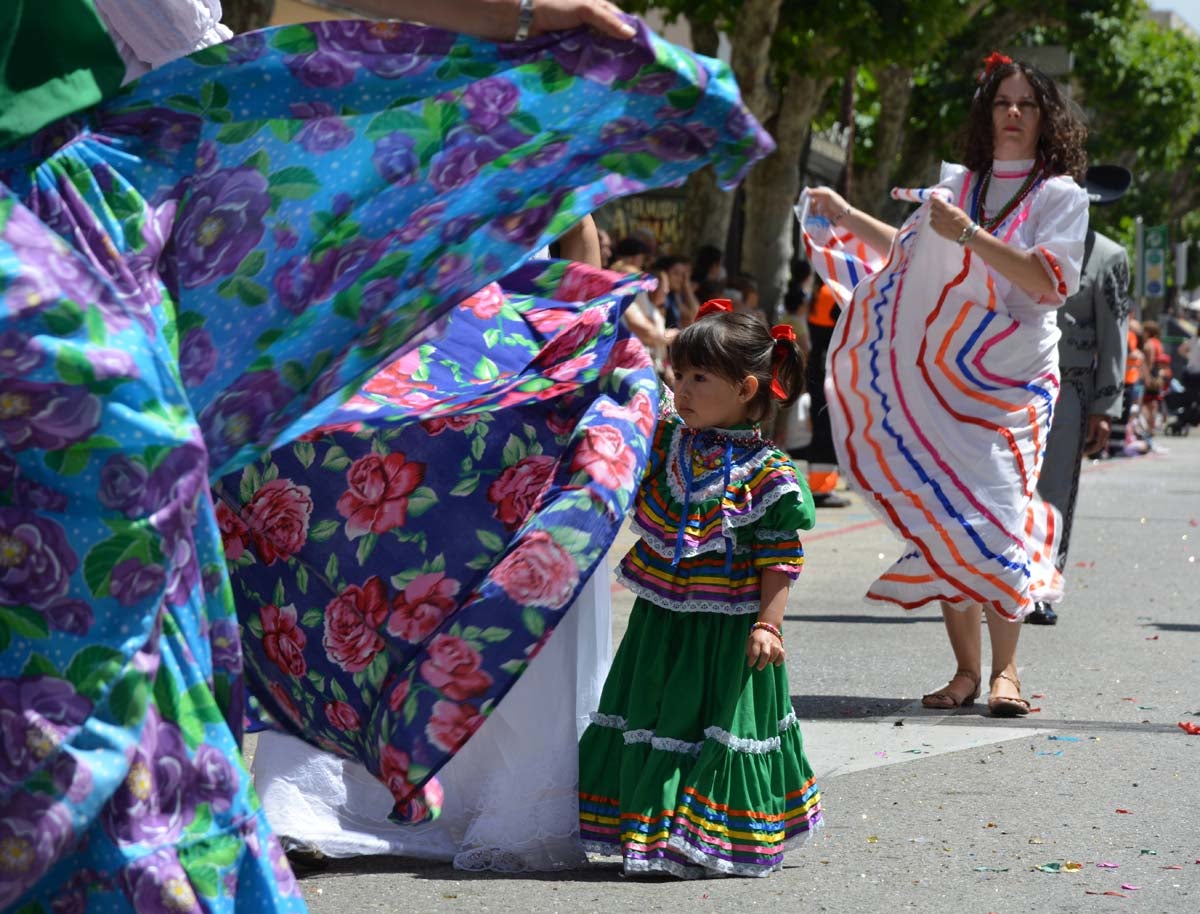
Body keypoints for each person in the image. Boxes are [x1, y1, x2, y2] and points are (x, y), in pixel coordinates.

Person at [0, 2, 775, 910]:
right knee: (141, 485)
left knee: (149, 576)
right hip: (88, 233)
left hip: (121, 223)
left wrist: (519, 27)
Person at [802, 53, 1089, 716]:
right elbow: (911, 256)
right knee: (948, 514)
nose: (1013, 114)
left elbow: (1046, 281)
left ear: (1045, 119)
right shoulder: (958, 185)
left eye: (1026, 104)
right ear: (986, 113)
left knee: (1000, 512)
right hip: (943, 366)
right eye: (1002, 103)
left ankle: (1006, 672)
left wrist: (970, 235)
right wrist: (846, 213)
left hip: (1016, 378)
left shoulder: (1060, 196)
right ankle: (965, 671)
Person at [577, 302, 822, 878]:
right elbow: (634, 388)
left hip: (730, 630)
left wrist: (768, 625)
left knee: (717, 724)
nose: (681, 390)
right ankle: (657, 835)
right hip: (662, 620)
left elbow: (779, 556)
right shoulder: (671, 442)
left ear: (746, 390)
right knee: (660, 715)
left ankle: (706, 839)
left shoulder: (771, 474)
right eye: (679, 375)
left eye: (698, 379)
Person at [1026, 165, 1132, 625]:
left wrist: (1106, 407)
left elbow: (1116, 335)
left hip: (1069, 388)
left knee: (1052, 490)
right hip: (1017, 380)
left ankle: (1042, 589)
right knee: (1008, 488)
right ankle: (1002, 584)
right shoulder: (1027, 246)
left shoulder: (1109, 257)